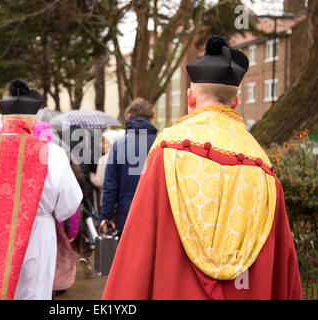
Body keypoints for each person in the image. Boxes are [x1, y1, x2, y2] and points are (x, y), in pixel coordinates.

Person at [102, 35, 303, 300]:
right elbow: (283, 270)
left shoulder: (168, 151)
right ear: (235, 103)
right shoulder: (263, 168)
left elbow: (137, 252)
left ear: (190, 97)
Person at [0, 79, 82, 300]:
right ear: (34, 122)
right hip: (38, 236)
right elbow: (69, 204)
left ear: (2, 119)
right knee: (33, 292)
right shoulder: (53, 153)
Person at [99, 98, 158, 236]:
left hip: (127, 215)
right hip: (154, 215)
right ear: (149, 118)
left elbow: (110, 187)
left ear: (130, 116)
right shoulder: (160, 144)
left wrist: (105, 217)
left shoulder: (119, 146)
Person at [89, 129, 125, 203]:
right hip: (122, 200)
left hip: (107, 199)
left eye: (104, 142)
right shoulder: (125, 156)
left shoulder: (104, 159)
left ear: (112, 143)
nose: (101, 145)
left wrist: (91, 175)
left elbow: (99, 182)